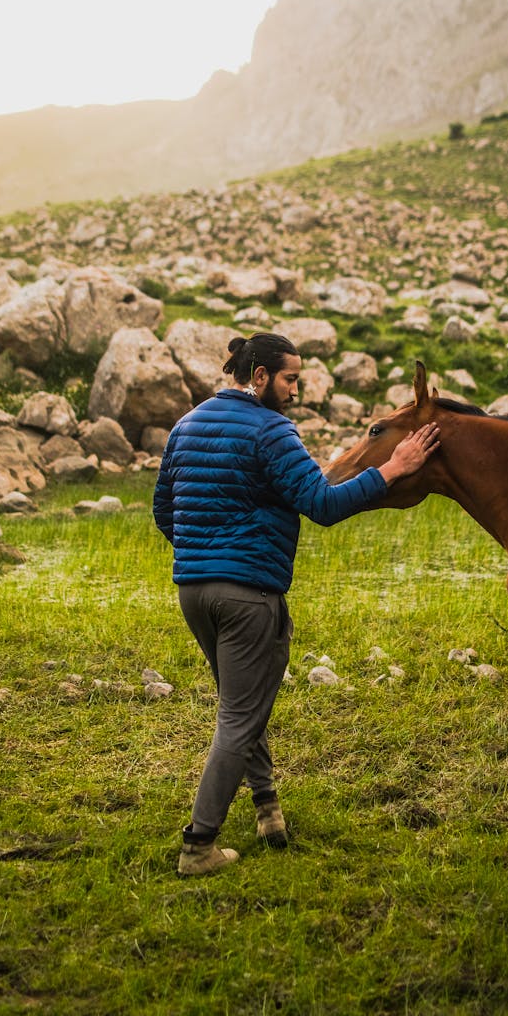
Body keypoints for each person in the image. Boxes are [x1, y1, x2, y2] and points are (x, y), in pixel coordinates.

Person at [153, 333, 440, 876]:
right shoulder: (272, 431)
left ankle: (267, 810)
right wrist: (392, 469)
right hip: (249, 597)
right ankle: (198, 846)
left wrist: (207, 551)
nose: (295, 391)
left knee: (244, 701)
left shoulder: (185, 426)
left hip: (194, 593)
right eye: (289, 379)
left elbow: (164, 513)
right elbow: (323, 504)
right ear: (258, 376)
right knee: (239, 716)